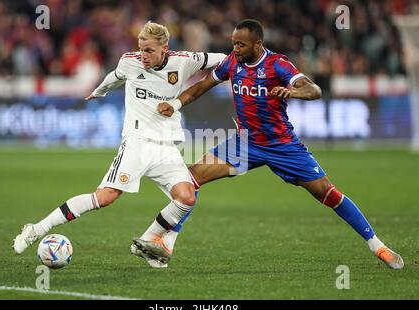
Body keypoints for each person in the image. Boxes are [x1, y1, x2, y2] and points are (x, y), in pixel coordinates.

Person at [138, 19, 404, 270]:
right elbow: (201, 87)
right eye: (233, 43)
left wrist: (294, 91)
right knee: (190, 180)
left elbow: (314, 90)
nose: (235, 49)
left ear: (257, 45)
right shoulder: (232, 63)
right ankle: (167, 242)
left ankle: (377, 246)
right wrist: (176, 104)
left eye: (240, 44)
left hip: (282, 145)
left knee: (327, 192)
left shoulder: (278, 65)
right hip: (246, 143)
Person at [12, 21, 226, 268]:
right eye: (140, 48)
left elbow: (223, 59)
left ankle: (149, 240)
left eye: (149, 51)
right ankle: (37, 229)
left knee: (186, 197)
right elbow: (114, 77)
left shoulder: (185, 60)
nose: (143, 55)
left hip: (167, 146)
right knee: (105, 197)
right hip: (137, 142)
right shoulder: (130, 61)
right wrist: (99, 91)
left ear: (165, 48)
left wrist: (250, 62)